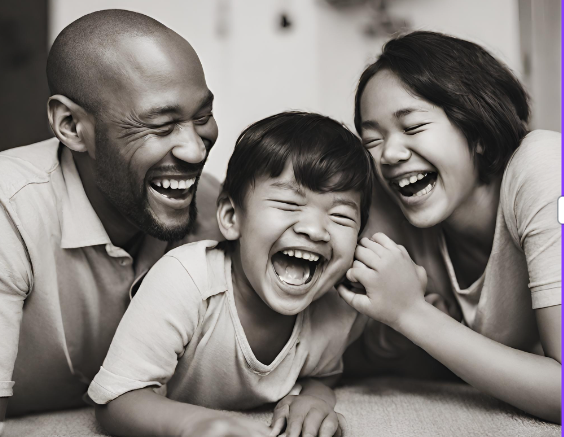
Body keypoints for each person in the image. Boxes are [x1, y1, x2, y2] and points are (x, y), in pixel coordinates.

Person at [87, 112, 373, 437]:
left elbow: (322, 373)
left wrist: (316, 399)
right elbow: (116, 401)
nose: (315, 229)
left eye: (340, 216)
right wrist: (198, 424)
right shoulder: (185, 280)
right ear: (230, 217)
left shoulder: (335, 311)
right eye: (289, 204)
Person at [0, 10, 223, 419]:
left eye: (203, 117)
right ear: (71, 126)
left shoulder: (213, 206)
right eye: (160, 125)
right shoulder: (9, 211)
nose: (195, 150)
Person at [339, 31, 561, 422]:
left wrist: (411, 314)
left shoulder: (545, 166)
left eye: (412, 127)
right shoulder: (396, 215)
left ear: (475, 128)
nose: (388, 154)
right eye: (371, 140)